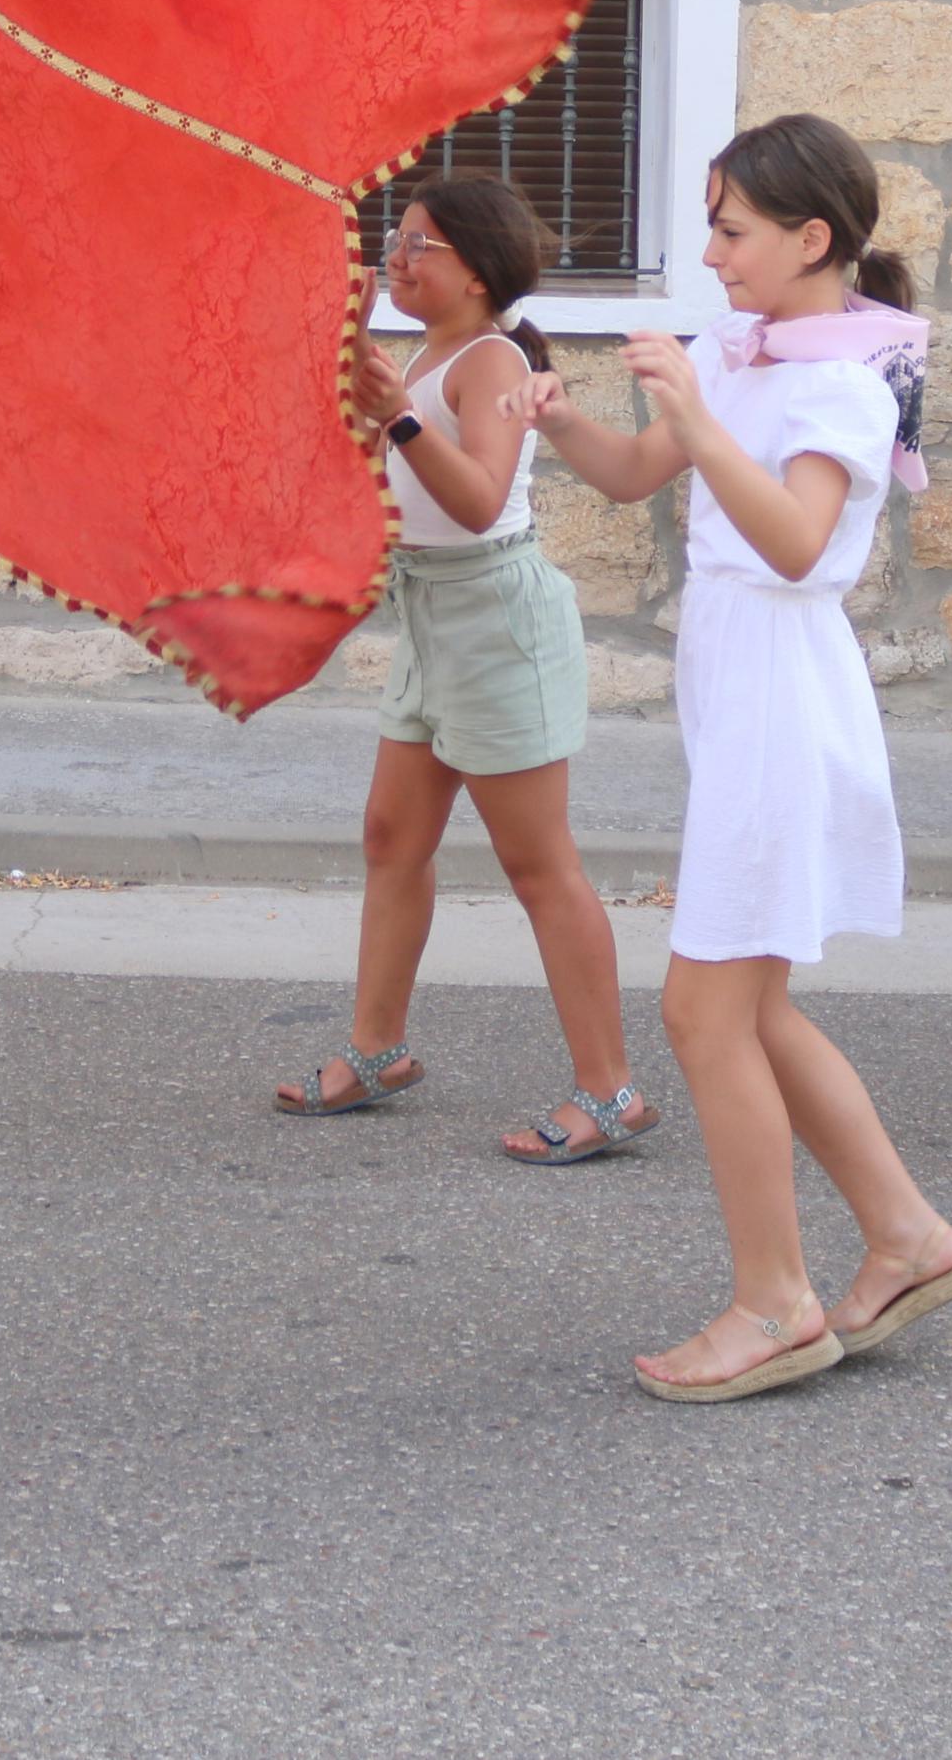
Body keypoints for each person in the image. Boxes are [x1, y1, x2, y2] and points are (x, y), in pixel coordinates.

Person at [521, 113, 952, 1403]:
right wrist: (562, 421)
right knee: (754, 1008)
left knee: (701, 1008)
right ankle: (904, 1236)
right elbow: (629, 477)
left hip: (783, 696)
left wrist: (697, 408)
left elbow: (793, 541)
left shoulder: (834, 380)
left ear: (810, 238)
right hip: (740, 696)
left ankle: (774, 1301)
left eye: (730, 230)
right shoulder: (755, 356)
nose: (712, 255)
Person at [273, 177, 657, 1164]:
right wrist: (351, 363)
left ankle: (610, 1092)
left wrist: (395, 413)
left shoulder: (486, 357)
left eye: (420, 245)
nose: (397, 259)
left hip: (495, 620)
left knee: (538, 866)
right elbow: (369, 469)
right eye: (393, 242)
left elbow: (482, 499)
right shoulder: (425, 352)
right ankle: (376, 1051)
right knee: (390, 836)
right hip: (432, 613)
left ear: (478, 270)